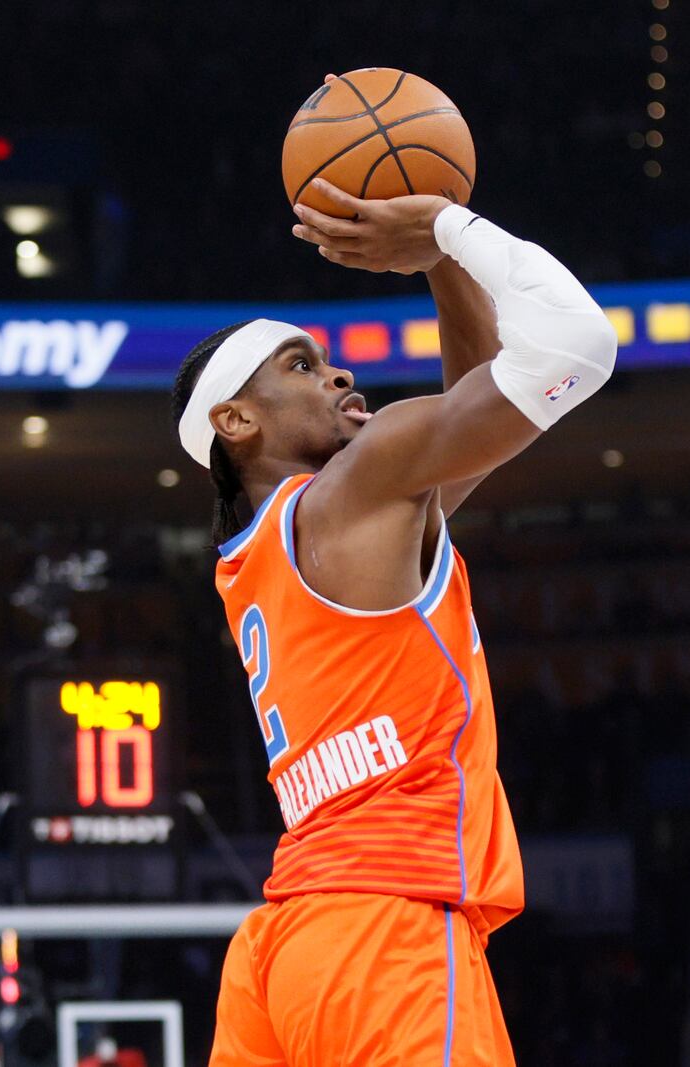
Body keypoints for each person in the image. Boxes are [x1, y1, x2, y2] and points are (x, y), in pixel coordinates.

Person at [172, 175, 616, 1066]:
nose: (337, 370)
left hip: (281, 954)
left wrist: (440, 265)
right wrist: (449, 224)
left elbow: (474, 398)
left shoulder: (259, 551)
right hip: (389, 934)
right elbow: (579, 346)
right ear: (235, 419)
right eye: (300, 365)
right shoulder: (363, 483)